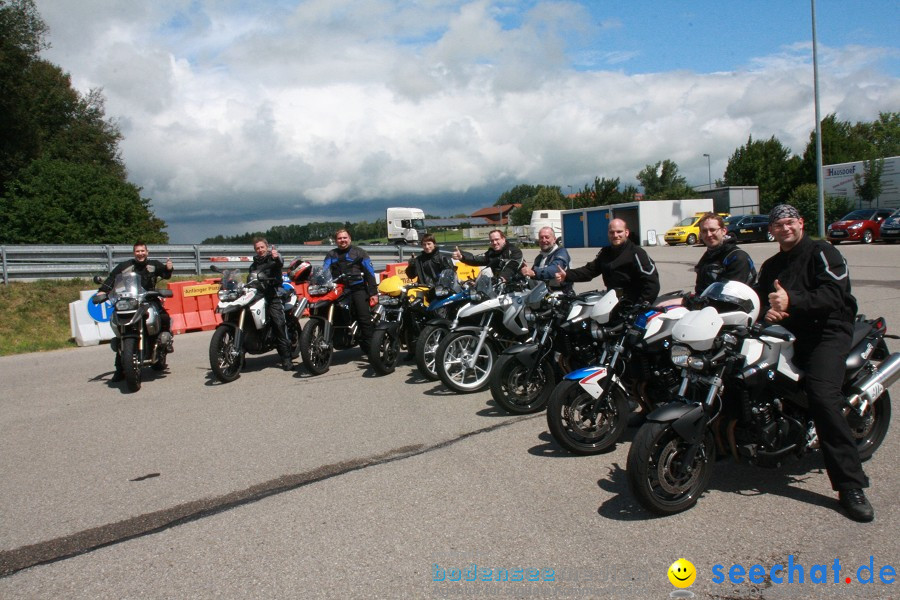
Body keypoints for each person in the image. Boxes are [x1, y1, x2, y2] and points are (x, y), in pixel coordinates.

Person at [755, 203, 873, 522]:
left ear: (801, 223)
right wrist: (765, 313)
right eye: (778, 225)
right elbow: (759, 300)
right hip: (792, 331)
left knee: (823, 398)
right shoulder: (771, 266)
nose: (785, 228)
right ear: (772, 230)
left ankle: (851, 485)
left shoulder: (823, 252)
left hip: (829, 332)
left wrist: (792, 301)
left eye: (790, 222)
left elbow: (837, 295)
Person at [98, 241, 174, 381]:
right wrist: (102, 291)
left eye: (142, 251)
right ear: (134, 253)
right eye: (137, 251)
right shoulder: (125, 266)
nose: (140, 254)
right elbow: (112, 278)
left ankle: (165, 343)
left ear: (147, 252)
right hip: (130, 301)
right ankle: (120, 369)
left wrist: (168, 269)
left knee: (164, 317)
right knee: (122, 330)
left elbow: (165, 274)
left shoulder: (153, 265)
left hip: (149, 299)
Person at [555, 218, 659, 304]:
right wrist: (567, 275)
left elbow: (651, 282)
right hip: (613, 302)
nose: (615, 235)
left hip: (633, 303)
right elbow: (590, 270)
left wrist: (642, 305)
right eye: (612, 232)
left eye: (619, 232)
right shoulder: (606, 252)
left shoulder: (637, 253)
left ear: (626, 233)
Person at [323, 229, 378, 357]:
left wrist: (373, 293)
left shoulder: (359, 253)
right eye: (339, 238)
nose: (342, 240)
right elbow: (324, 271)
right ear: (336, 241)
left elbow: (370, 273)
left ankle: (371, 352)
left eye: (345, 238)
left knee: (364, 318)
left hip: (357, 289)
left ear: (350, 238)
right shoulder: (331, 254)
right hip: (339, 290)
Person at [249, 238, 294, 371]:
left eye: (262, 247)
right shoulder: (254, 264)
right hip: (259, 293)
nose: (260, 250)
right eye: (257, 248)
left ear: (267, 247)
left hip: (273, 292)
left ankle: (286, 358)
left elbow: (280, 262)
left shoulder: (273, 259)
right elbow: (250, 278)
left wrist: (277, 256)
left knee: (278, 323)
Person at [693, 212, 756, 294]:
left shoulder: (737, 257)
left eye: (713, 230)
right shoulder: (708, 256)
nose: (708, 234)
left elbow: (729, 296)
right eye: (704, 231)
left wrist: (689, 302)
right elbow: (700, 290)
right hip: (706, 304)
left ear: (724, 231)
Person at [452, 229, 523, 282]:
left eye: (497, 239)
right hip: (499, 285)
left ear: (503, 239)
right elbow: (476, 259)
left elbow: (512, 266)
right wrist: (462, 256)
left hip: (517, 285)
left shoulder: (514, 251)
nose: (494, 243)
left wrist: (502, 278)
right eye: (492, 240)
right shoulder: (491, 253)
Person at [520, 226, 572, 294]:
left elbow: (554, 270)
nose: (544, 240)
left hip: (561, 294)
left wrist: (534, 272)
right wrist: (525, 271)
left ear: (554, 239)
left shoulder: (561, 252)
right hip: (543, 294)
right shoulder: (539, 257)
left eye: (547, 237)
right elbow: (534, 277)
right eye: (541, 237)